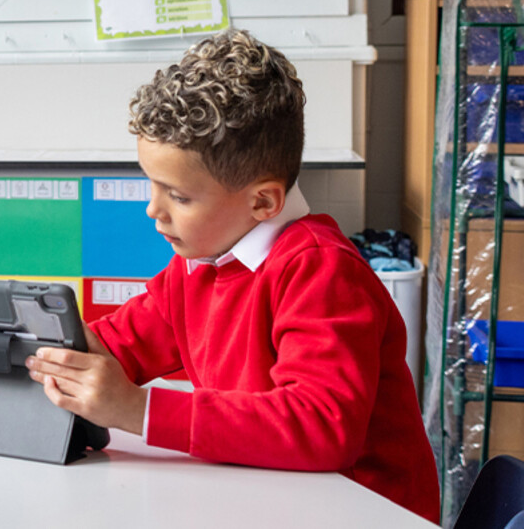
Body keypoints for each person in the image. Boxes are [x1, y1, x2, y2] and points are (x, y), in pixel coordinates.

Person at [23, 30, 441, 523]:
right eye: (151, 184)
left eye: (179, 196)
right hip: (269, 499)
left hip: (361, 513)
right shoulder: (199, 264)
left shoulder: (322, 270)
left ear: (263, 201)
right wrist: (39, 344)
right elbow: (117, 346)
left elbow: (320, 427)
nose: (153, 209)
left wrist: (138, 410)